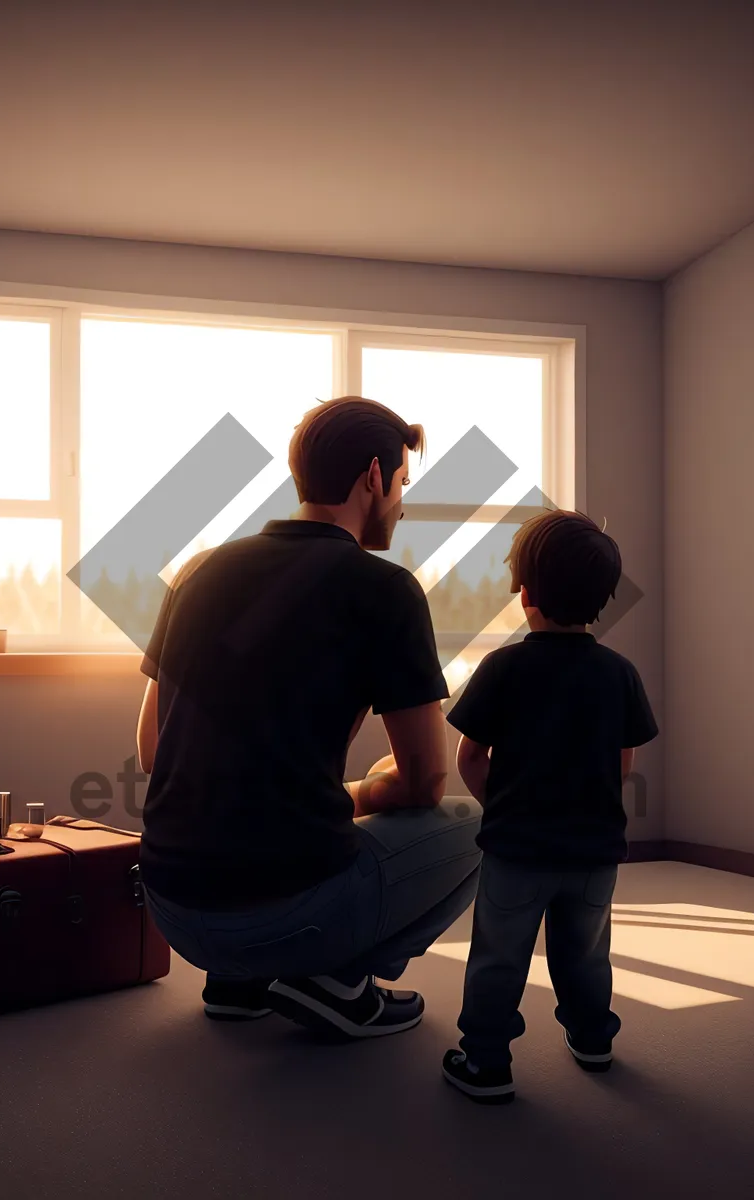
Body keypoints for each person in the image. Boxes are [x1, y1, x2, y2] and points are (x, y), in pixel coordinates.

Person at [135, 396, 483, 1040]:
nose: (402, 504)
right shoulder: (383, 588)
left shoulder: (200, 572)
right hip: (282, 916)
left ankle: (237, 986)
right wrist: (366, 790)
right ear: (373, 477)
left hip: (173, 910)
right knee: (477, 826)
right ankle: (336, 985)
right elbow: (426, 782)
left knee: (280, 830)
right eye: (403, 483)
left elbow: (154, 752)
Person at [439, 509, 658, 1104]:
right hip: (594, 853)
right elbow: (623, 765)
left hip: (517, 850)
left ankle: (485, 1061)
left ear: (525, 593)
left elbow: (470, 758)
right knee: (586, 953)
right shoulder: (619, 673)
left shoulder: (504, 667)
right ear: (602, 600)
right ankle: (592, 1037)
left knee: (498, 957)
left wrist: (504, 805)